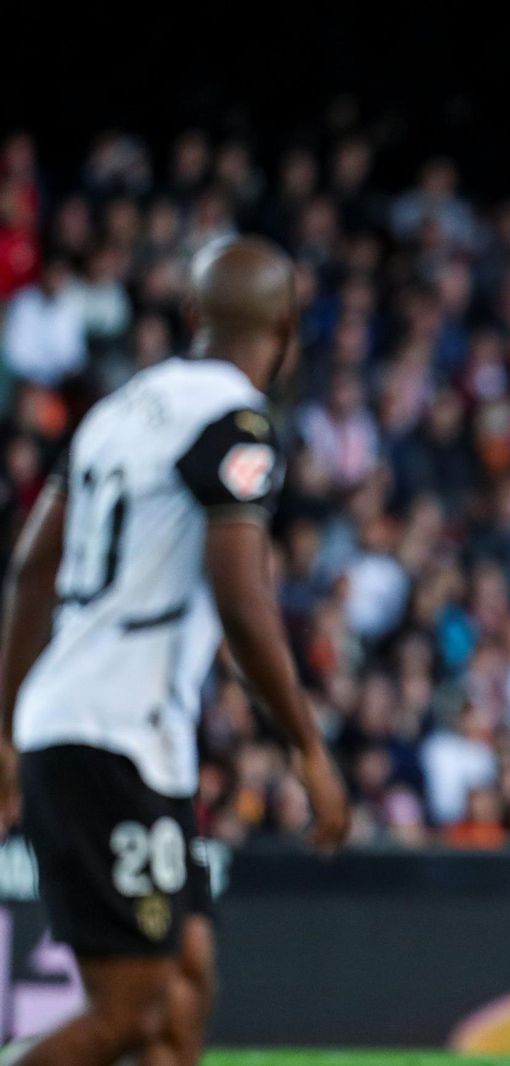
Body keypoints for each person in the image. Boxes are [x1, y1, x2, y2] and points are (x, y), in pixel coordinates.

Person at [0, 236, 350, 1066]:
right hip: (108, 734)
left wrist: (8, 724)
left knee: (184, 985)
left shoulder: (115, 411)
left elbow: (32, 568)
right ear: (289, 331)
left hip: (98, 730)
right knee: (130, 1011)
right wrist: (306, 746)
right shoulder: (236, 421)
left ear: (193, 316)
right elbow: (241, 594)